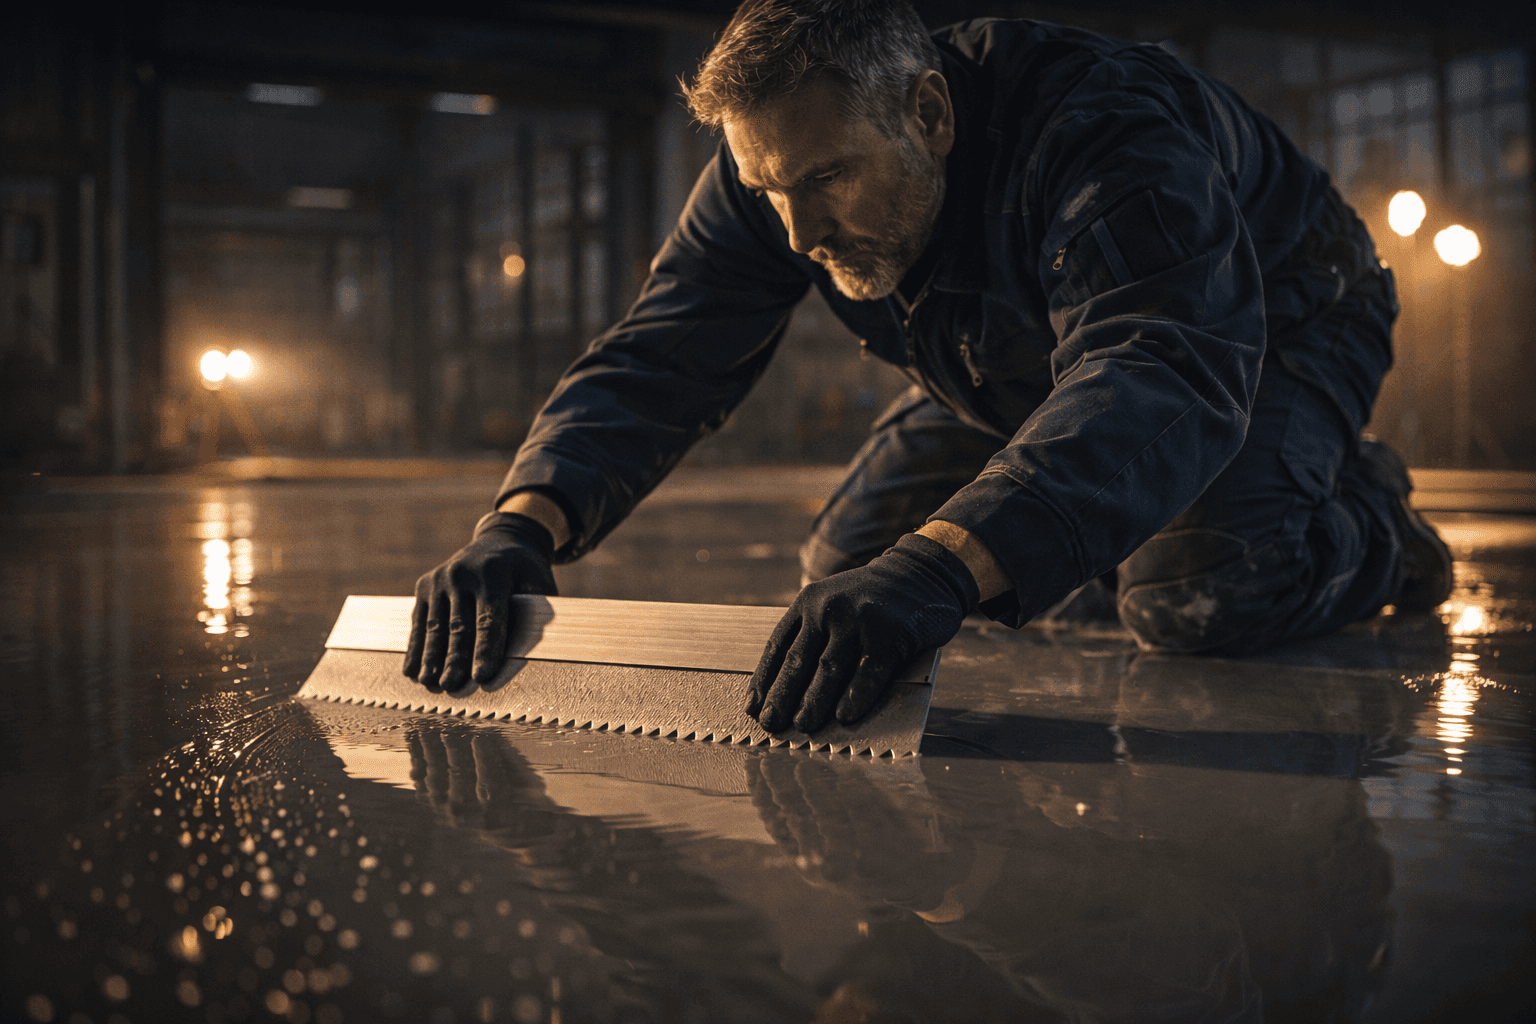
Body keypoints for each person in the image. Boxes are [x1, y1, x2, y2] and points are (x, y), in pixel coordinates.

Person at [404, 0, 1452, 736]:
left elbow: (1159, 366)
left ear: (930, 114)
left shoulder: (1104, 131)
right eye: (770, 192)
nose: (799, 232)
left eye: (828, 179)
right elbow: (661, 354)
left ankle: (1372, 526)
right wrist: (522, 523)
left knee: (1191, 592)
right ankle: (1119, 529)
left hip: (1270, 326)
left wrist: (950, 567)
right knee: (848, 574)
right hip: (1012, 358)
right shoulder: (773, 162)